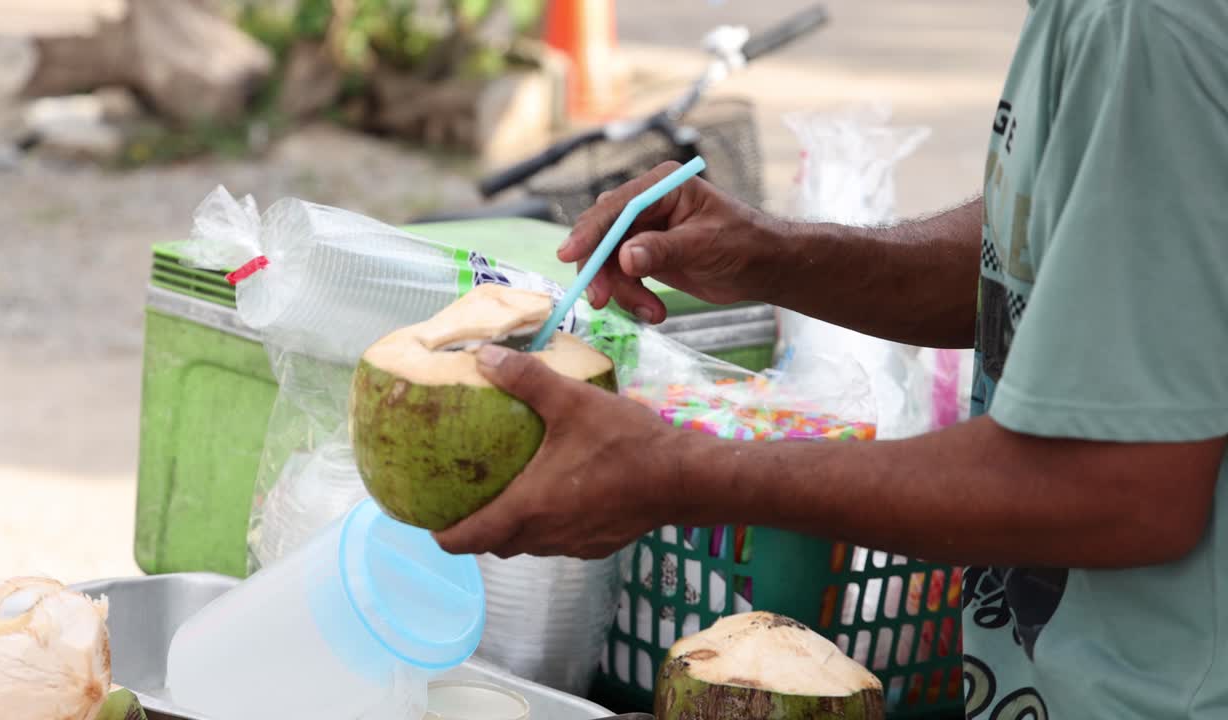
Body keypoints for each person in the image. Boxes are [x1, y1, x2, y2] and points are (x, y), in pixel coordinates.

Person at [434, 1, 1228, 718]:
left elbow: (1116, 482)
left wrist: (677, 474)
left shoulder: (1143, 22)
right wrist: (775, 255)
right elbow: (1075, 254)